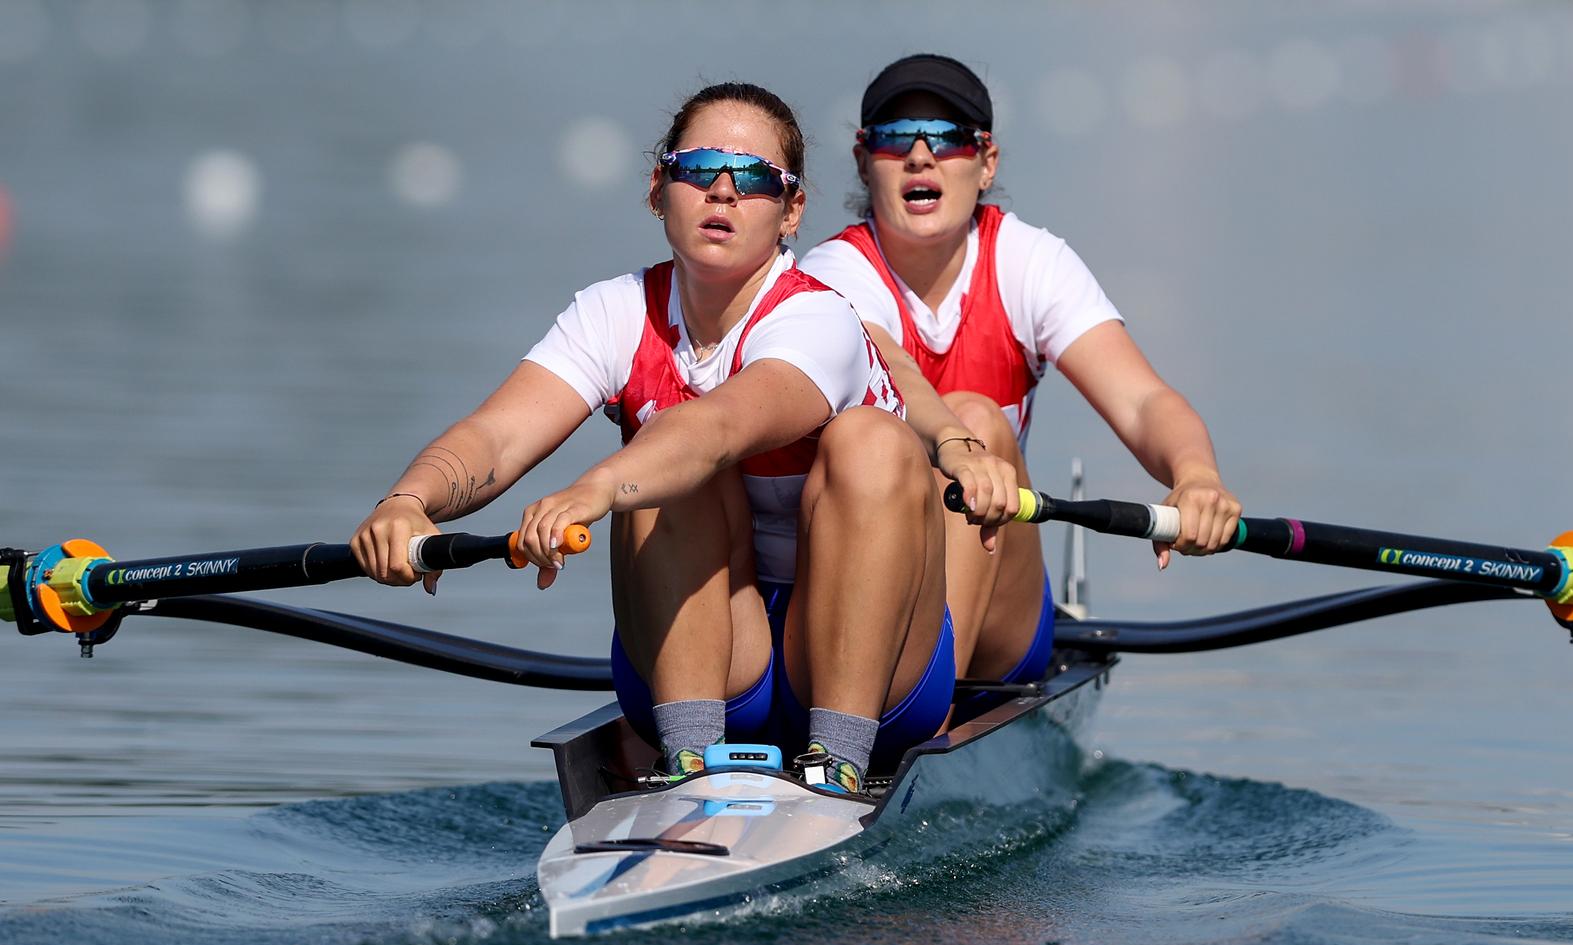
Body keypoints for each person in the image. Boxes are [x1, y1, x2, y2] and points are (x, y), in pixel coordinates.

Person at [350, 82, 972, 794]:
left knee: (860, 440)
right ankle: (689, 762)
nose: (724, 192)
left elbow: (716, 429)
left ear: (791, 211)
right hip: (712, 654)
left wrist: (593, 488)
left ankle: (837, 760)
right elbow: (496, 436)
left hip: (879, 674)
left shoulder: (820, 321)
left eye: (757, 180)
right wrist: (408, 499)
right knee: (663, 457)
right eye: (700, 168)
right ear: (658, 189)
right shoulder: (612, 312)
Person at [800, 54, 1242, 725]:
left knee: (978, 416)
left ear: (987, 162)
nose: (922, 156)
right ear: (865, 161)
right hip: (860, 599)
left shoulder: (1031, 264)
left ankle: (916, 726)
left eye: (948, 138)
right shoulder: (833, 273)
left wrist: (1197, 475)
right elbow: (890, 366)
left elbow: (1144, 401)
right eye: (896, 136)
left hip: (998, 619)